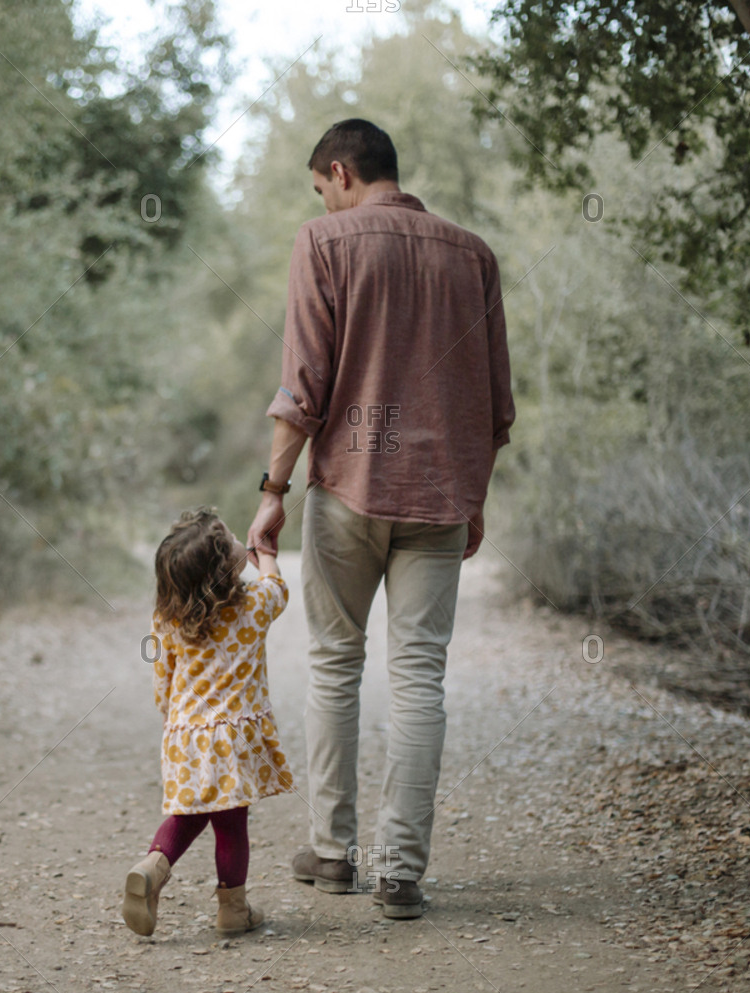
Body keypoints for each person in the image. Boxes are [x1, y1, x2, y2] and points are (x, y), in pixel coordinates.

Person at [246, 119, 514, 919]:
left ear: (341, 172)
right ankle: (400, 872)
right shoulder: (473, 256)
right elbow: (496, 405)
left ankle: (332, 853)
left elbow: (303, 386)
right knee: (419, 676)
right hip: (438, 496)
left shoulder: (325, 244)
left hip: (347, 491)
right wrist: (474, 499)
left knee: (334, 665)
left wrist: (272, 491)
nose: (323, 204)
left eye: (322, 189)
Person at [122, 508, 292, 937]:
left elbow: (163, 681)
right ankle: (233, 909)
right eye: (234, 539)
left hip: (184, 735)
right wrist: (266, 552)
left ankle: (153, 865)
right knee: (231, 825)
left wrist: (172, 719)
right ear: (224, 567)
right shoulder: (252, 607)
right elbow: (277, 587)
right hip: (231, 740)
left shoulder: (168, 619)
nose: (240, 540)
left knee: (187, 814)